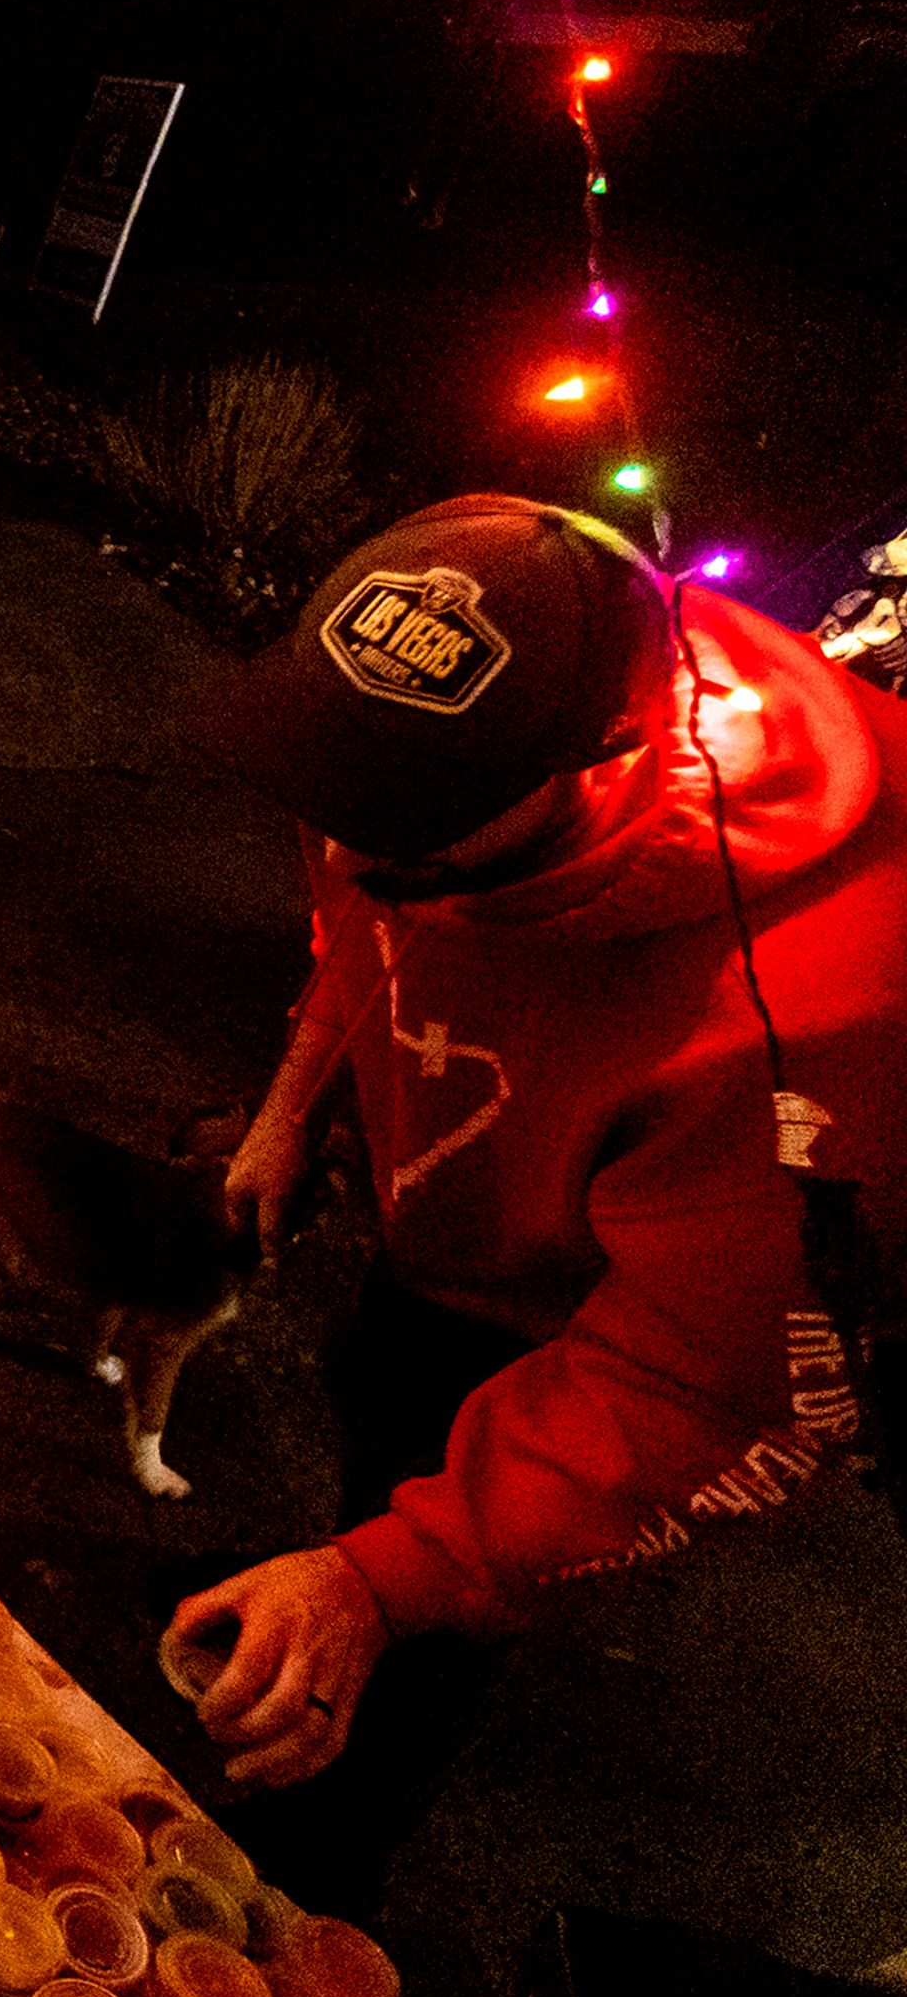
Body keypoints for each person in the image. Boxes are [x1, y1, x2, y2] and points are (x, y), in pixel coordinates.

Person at [172, 496, 907, 1913]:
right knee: (381, 1415)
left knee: (424, 1641)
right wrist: (299, 1091)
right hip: (451, 1227)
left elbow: (694, 1385)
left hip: (587, 1325)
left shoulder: (820, 1011)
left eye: (388, 831)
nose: (333, 840)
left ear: (597, 772)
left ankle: (305, 1898)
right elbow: (365, 901)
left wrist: (393, 1581)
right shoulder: (451, 738)